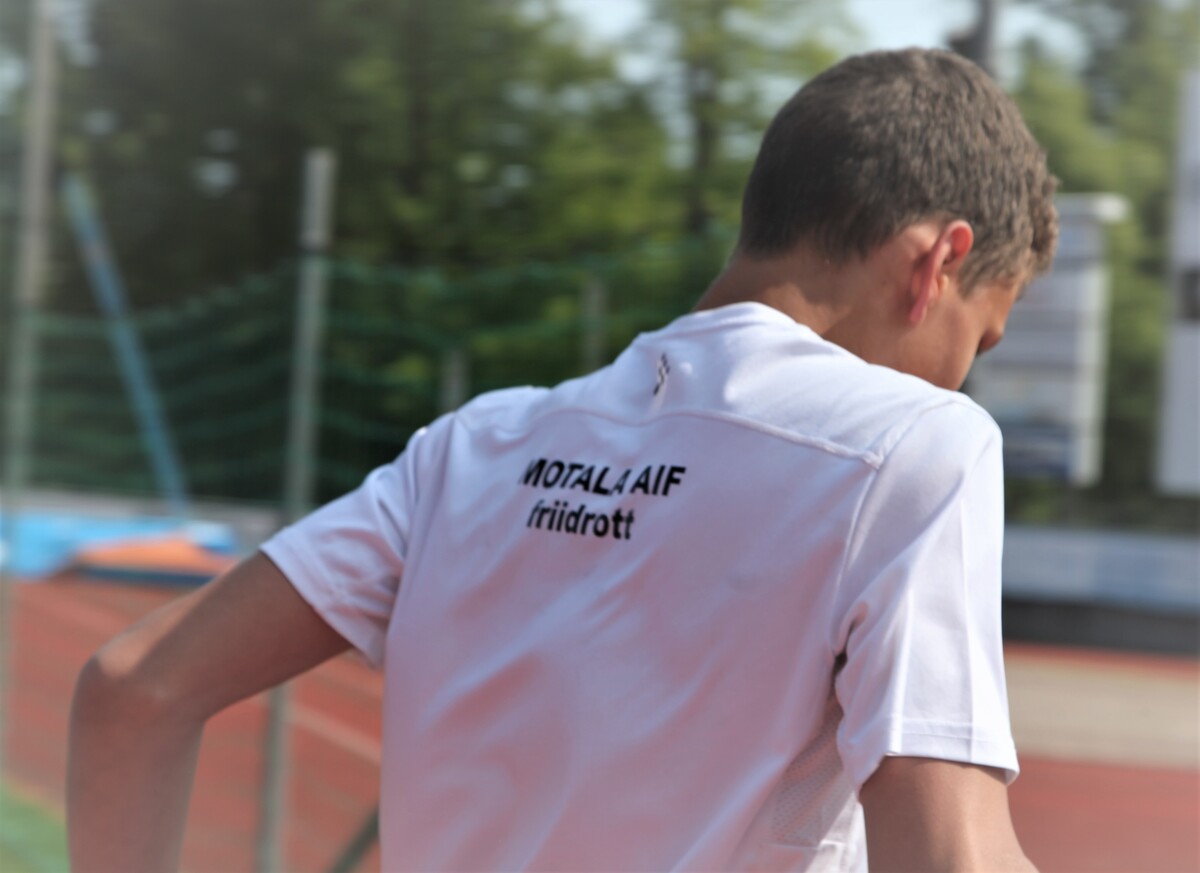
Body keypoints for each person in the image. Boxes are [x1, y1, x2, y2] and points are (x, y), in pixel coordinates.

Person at [68, 47, 1057, 872]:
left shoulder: (474, 444)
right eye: (979, 340)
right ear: (935, 263)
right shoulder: (919, 443)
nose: (959, 378)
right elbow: (948, 854)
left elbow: (133, 690)